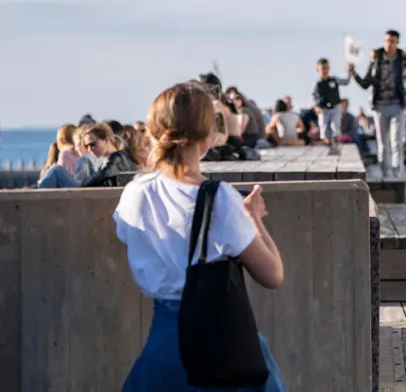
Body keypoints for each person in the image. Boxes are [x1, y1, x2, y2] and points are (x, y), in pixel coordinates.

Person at [113, 81, 286, 391]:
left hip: (164, 347)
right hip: (222, 345)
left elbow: (128, 236)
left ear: (153, 132)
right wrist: (253, 219)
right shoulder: (221, 199)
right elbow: (272, 274)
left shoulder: (135, 193)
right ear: (207, 139)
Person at [351, 29, 406, 177]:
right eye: (386, 41)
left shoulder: (403, 60)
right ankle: (385, 175)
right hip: (379, 106)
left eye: (392, 41)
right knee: (382, 144)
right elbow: (366, 84)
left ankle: (397, 175)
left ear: (397, 43)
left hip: (398, 106)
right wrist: (353, 73)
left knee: (396, 142)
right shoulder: (376, 59)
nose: (388, 44)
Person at [311, 58, 352, 153]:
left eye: (327, 68)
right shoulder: (317, 84)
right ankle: (327, 147)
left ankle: (335, 146)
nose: (325, 71)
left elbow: (346, 81)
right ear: (318, 70)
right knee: (324, 128)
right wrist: (316, 106)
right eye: (322, 68)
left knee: (335, 126)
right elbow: (313, 96)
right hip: (323, 108)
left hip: (335, 106)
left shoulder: (334, 80)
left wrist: (349, 71)